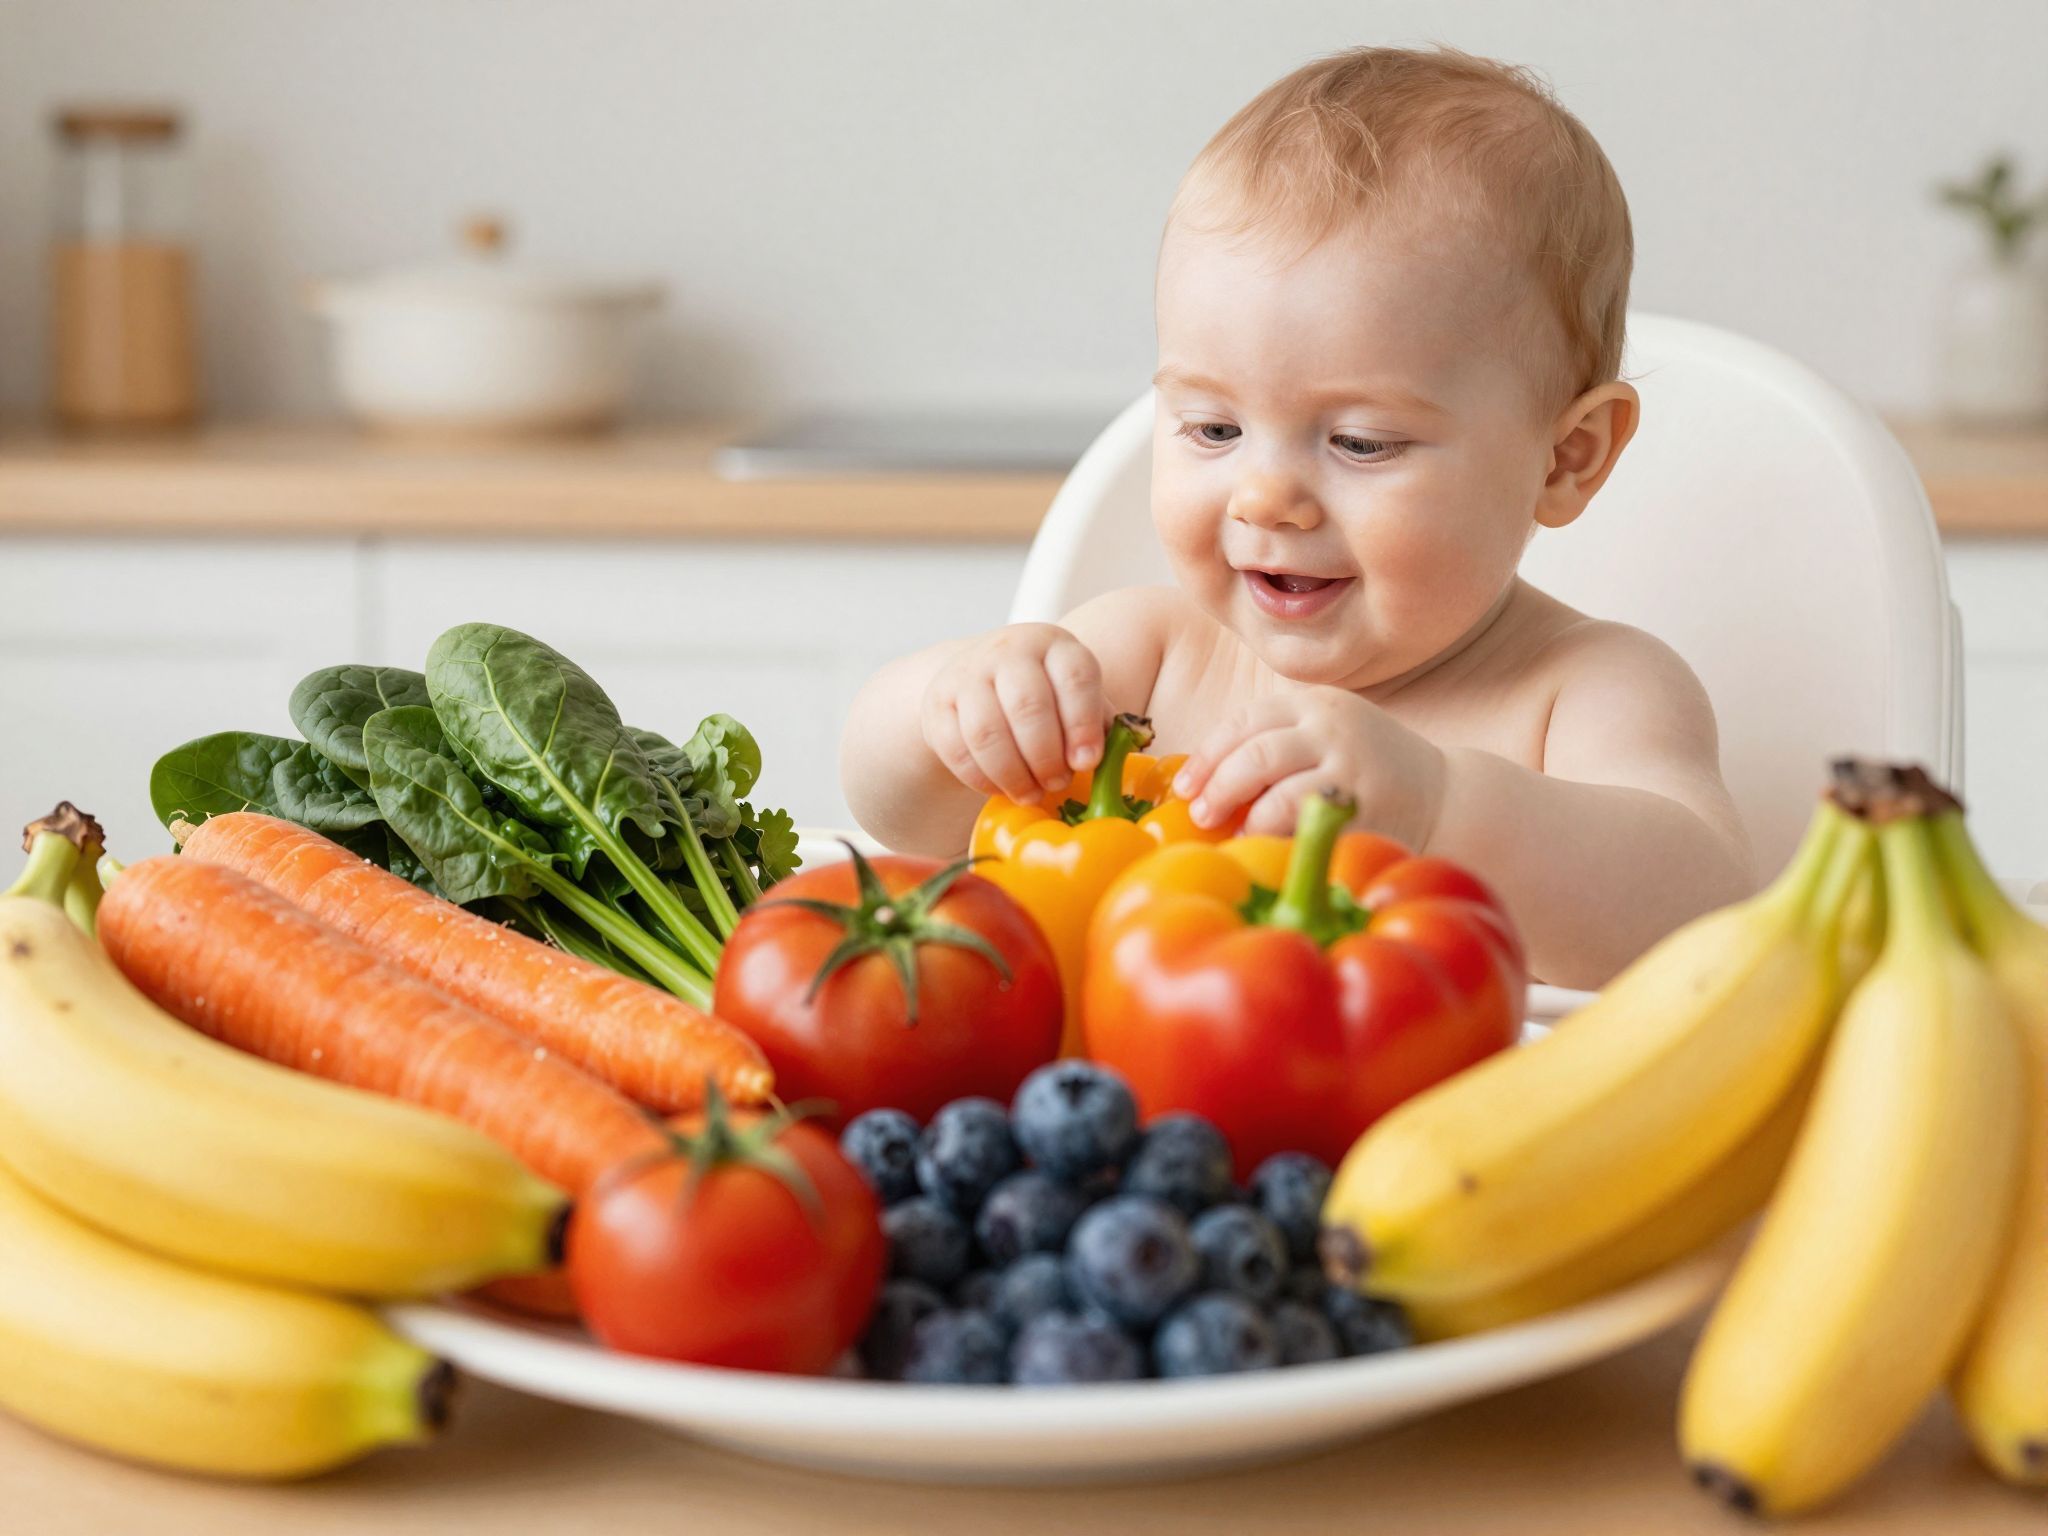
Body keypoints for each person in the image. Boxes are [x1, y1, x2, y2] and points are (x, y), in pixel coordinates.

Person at [840, 45, 1753, 988]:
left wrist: (1438, 808)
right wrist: (959, 701)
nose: (1263, 497)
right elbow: (900, 809)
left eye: (1361, 443)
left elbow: (1707, 913)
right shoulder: (1150, 661)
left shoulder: (1587, 690)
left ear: (1568, 457)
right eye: (1214, 427)